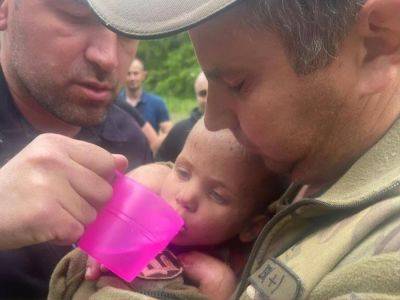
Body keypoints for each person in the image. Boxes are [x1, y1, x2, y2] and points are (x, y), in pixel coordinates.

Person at [86, 0, 400, 299]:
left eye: (237, 84)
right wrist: (162, 176)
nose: (211, 121)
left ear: (374, 46)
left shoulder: (386, 261)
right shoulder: (311, 154)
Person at [0, 0, 152, 298]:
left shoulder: (132, 141)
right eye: (76, 16)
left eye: (127, 30)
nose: (107, 58)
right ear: (5, 9)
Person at [48, 119, 287, 300]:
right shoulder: (139, 212)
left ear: (250, 227)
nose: (185, 196)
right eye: (183, 173)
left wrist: (222, 289)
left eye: (217, 195)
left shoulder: (236, 267)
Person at [156, 71, 207, 162]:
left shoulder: (237, 129)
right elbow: (160, 164)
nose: (209, 98)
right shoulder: (179, 131)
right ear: (196, 96)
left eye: (213, 91)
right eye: (203, 94)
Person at [117, 57, 173, 134]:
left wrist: (156, 142)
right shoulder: (115, 103)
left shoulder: (157, 103)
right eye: (128, 73)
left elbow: (169, 133)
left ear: (144, 75)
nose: (132, 78)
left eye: (136, 73)